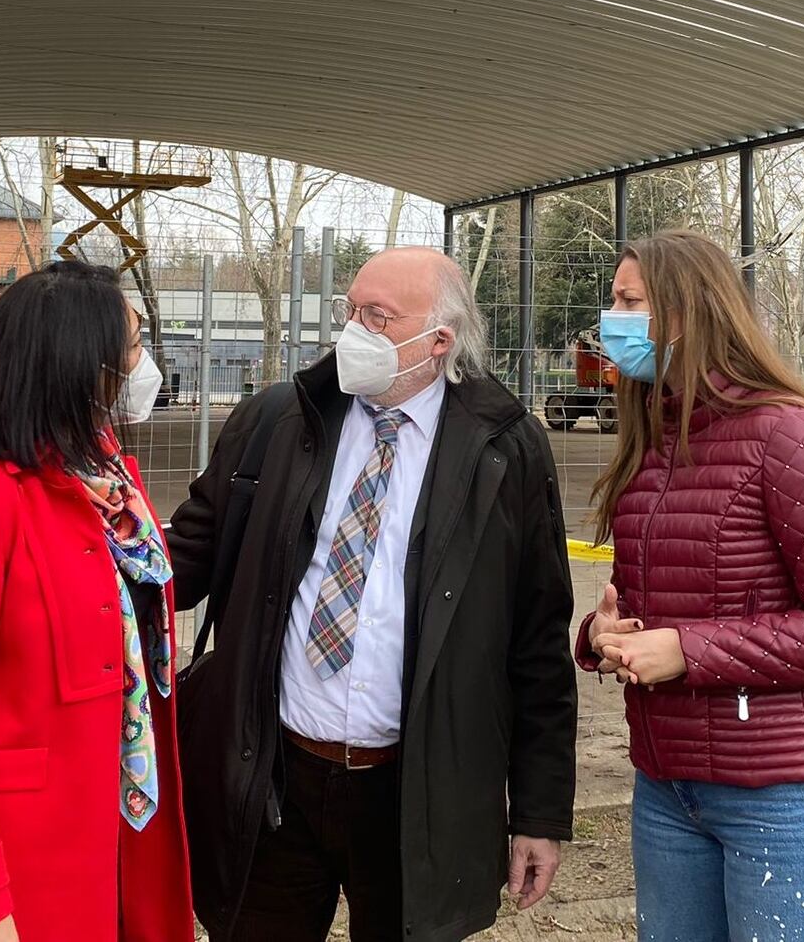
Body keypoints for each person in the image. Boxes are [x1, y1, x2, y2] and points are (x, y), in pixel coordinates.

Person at [168, 246, 577, 942]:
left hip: (415, 793)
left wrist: (539, 812)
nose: (352, 330)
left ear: (438, 341)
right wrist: (76, 564)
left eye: (377, 317)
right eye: (349, 310)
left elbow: (536, 639)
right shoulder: (282, 419)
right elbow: (187, 553)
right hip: (274, 776)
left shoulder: (504, 450)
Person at [580, 230, 804, 942]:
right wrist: (600, 637)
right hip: (666, 787)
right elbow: (651, 602)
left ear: (688, 312)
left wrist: (689, 649)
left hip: (777, 793)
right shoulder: (650, 435)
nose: (611, 317)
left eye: (629, 301)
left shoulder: (788, 434)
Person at [0, 261, 194, 942]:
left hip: (110, 828)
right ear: (81, 366)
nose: (146, 366)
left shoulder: (104, 483)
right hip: (17, 861)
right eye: (133, 347)